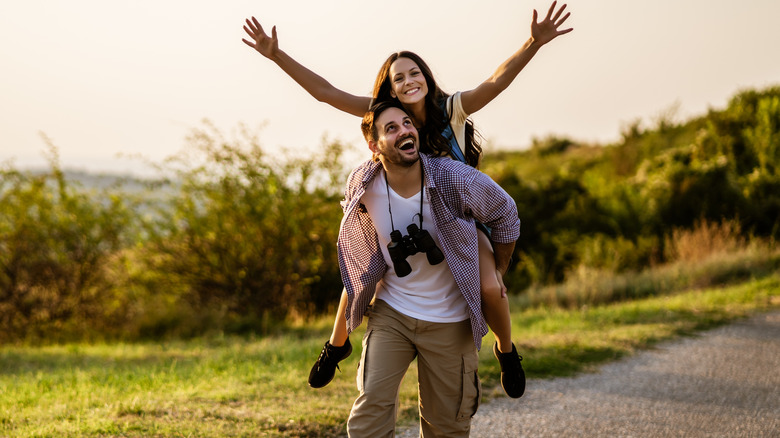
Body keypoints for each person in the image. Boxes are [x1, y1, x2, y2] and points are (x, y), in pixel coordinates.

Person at [241, 1, 573, 397]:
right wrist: (276, 55)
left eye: (415, 72)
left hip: (457, 219)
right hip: (401, 214)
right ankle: (336, 345)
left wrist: (533, 43)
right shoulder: (385, 112)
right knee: (360, 274)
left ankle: (506, 350)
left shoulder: (450, 109)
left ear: (426, 77)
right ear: (390, 88)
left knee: (491, 288)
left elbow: (496, 82)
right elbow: (326, 93)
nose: (409, 81)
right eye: (399, 77)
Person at [338, 100, 520, 436]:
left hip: (450, 318)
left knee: (446, 427)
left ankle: (507, 352)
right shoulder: (363, 182)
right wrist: (335, 344)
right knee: (368, 416)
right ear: (374, 146)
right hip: (392, 312)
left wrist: (498, 269)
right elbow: (359, 257)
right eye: (391, 128)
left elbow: (505, 212)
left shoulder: (453, 177)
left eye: (407, 123)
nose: (404, 130)